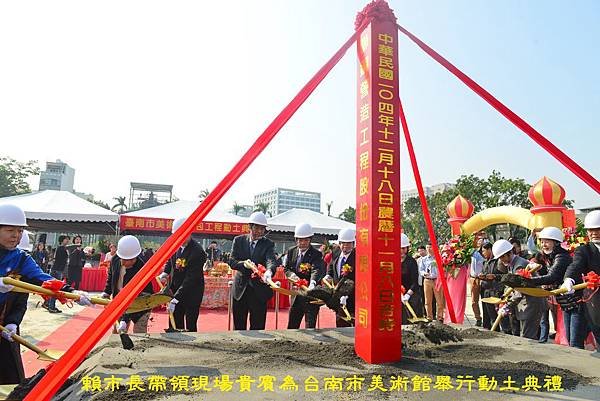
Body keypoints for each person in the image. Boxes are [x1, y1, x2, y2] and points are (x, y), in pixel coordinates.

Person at [0, 204, 90, 384]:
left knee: (10, 378)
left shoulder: (21, 258)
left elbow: (43, 280)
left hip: (4, 326)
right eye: (10, 230)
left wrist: (71, 292)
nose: (16, 236)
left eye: (19, 231)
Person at [229, 212, 277, 330]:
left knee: (258, 325)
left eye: (263, 229)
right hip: (241, 289)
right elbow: (232, 261)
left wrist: (269, 271)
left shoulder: (268, 244)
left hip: (258, 290)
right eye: (257, 228)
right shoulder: (238, 240)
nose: (260, 232)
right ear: (250, 227)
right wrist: (244, 264)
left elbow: (270, 260)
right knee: (239, 325)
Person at [523, 227, 572, 344]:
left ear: (556, 243)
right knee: (565, 335)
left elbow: (552, 277)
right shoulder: (547, 256)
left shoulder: (562, 257)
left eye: (547, 242)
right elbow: (541, 266)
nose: (543, 245)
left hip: (571, 301)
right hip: (562, 300)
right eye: (542, 241)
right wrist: (534, 265)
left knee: (572, 338)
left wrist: (528, 281)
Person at [159, 217, 207, 332]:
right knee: (175, 321)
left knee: (190, 323)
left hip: (191, 292)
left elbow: (191, 279)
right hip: (175, 289)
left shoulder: (197, 251)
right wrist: (165, 272)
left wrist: (176, 298)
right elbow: (170, 261)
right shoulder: (174, 246)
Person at [562, 210, 600, 351]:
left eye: (598, 229)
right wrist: (569, 279)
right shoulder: (584, 250)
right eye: (591, 230)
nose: (594, 233)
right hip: (593, 301)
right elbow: (576, 265)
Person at [493, 239, 546, 340]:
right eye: (500, 257)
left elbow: (519, 290)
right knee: (526, 336)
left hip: (531, 304)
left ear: (509, 253)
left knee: (527, 337)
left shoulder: (519, 265)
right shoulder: (511, 264)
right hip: (524, 305)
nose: (501, 260)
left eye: (502, 257)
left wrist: (508, 306)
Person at [101, 235, 154, 333]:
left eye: (131, 260)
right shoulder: (114, 260)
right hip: (120, 300)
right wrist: (106, 292)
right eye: (124, 259)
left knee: (139, 332)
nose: (128, 262)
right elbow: (111, 277)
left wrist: (125, 319)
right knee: (117, 331)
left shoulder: (141, 268)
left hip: (141, 302)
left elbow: (134, 296)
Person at [284, 223, 325, 329]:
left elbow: (316, 270)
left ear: (310, 240)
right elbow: (286, 268)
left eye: (305, 240)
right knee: (292, 326)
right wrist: (291, 275)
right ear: (296, 239)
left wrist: (312, 282)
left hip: (310, 296)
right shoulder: (291, 251)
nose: (302, 243)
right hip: (296, 295)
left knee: (310, 327)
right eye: (300, 240)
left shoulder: (316, 254)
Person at [324, 228, 355, 327]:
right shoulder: (336, 252)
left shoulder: (357, 257)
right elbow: (332, 267)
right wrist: (328, 275)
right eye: (343, 243)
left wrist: (346, 293)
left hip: (352, 296)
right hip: (337, 295)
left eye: (349, 243)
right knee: (340, 321)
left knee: (352, 321)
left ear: (353, 244)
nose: (345, 246)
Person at [418, 244, 445, 322]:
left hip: (437, 280)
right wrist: (424, 273)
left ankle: (440, 317)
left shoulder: (439, 258)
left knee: (439, 300)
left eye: (430, 247)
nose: (429, 249)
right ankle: (429, 317)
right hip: (427, 280)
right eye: (427, 247)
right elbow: (421, 269)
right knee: (427, 300)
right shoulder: (424, 259)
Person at [46, 235, 70, 313]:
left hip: (57, 269)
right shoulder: (61, 248)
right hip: (57, 270)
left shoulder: (61, 248)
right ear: (62, 240)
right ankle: (51, 306)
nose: (67, 241)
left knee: (52, 288)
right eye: (66, 239)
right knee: (55, 289)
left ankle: (48, 304)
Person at [400, 234, 420, 324]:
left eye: (404, 248)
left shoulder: (411, 261)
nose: (401, 251)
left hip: (410, 293)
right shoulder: (391, 260)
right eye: (400, 248)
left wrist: (408, 294)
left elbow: (415, 282)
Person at [469, 238, 486, 327]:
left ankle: (487, 319)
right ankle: (478, 318)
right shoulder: (473, 252)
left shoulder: (486, 254)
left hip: (483, 279)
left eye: (481, 241)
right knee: (474, 301)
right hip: (473, 279)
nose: (479, 243)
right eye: (478, 241)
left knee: (485, 300)